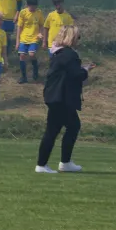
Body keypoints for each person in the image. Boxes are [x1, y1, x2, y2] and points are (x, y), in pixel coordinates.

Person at [36, 26, 95, 174]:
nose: (79, 40)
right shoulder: (69, 55)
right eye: (78, 37)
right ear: (72, 38)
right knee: (61, 129)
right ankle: (48, 164)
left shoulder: (59, 53)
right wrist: (86, 70)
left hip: (55, 96)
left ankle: (62, 162)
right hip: (61, 97)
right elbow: (77, 75)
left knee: (66, 127)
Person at [16, 0, 44, 83]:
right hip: (24, 38)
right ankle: (23, 77)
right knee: (22, 56)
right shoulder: (23, 13)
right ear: (28, 5)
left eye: (35, 6)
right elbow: (19, 27)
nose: (33, 8)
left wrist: (40, 33)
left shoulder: (39, 13)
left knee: (31, 55)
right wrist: (17, 41)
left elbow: (41, 25)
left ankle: (35, 72)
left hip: (34, 38)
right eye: (32, 7)